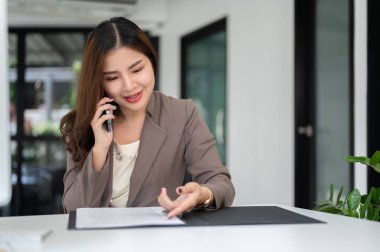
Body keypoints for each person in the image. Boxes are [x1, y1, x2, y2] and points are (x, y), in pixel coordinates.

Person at [60, 17, 235, 218]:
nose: (129, 85)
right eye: (113, 77)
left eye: (137, 69)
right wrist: (99, 150)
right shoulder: (80, 124)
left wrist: (201, 194)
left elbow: (222, 183)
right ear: (99, 81)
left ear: (151, 61)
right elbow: (72, 209)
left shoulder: (182, 114)